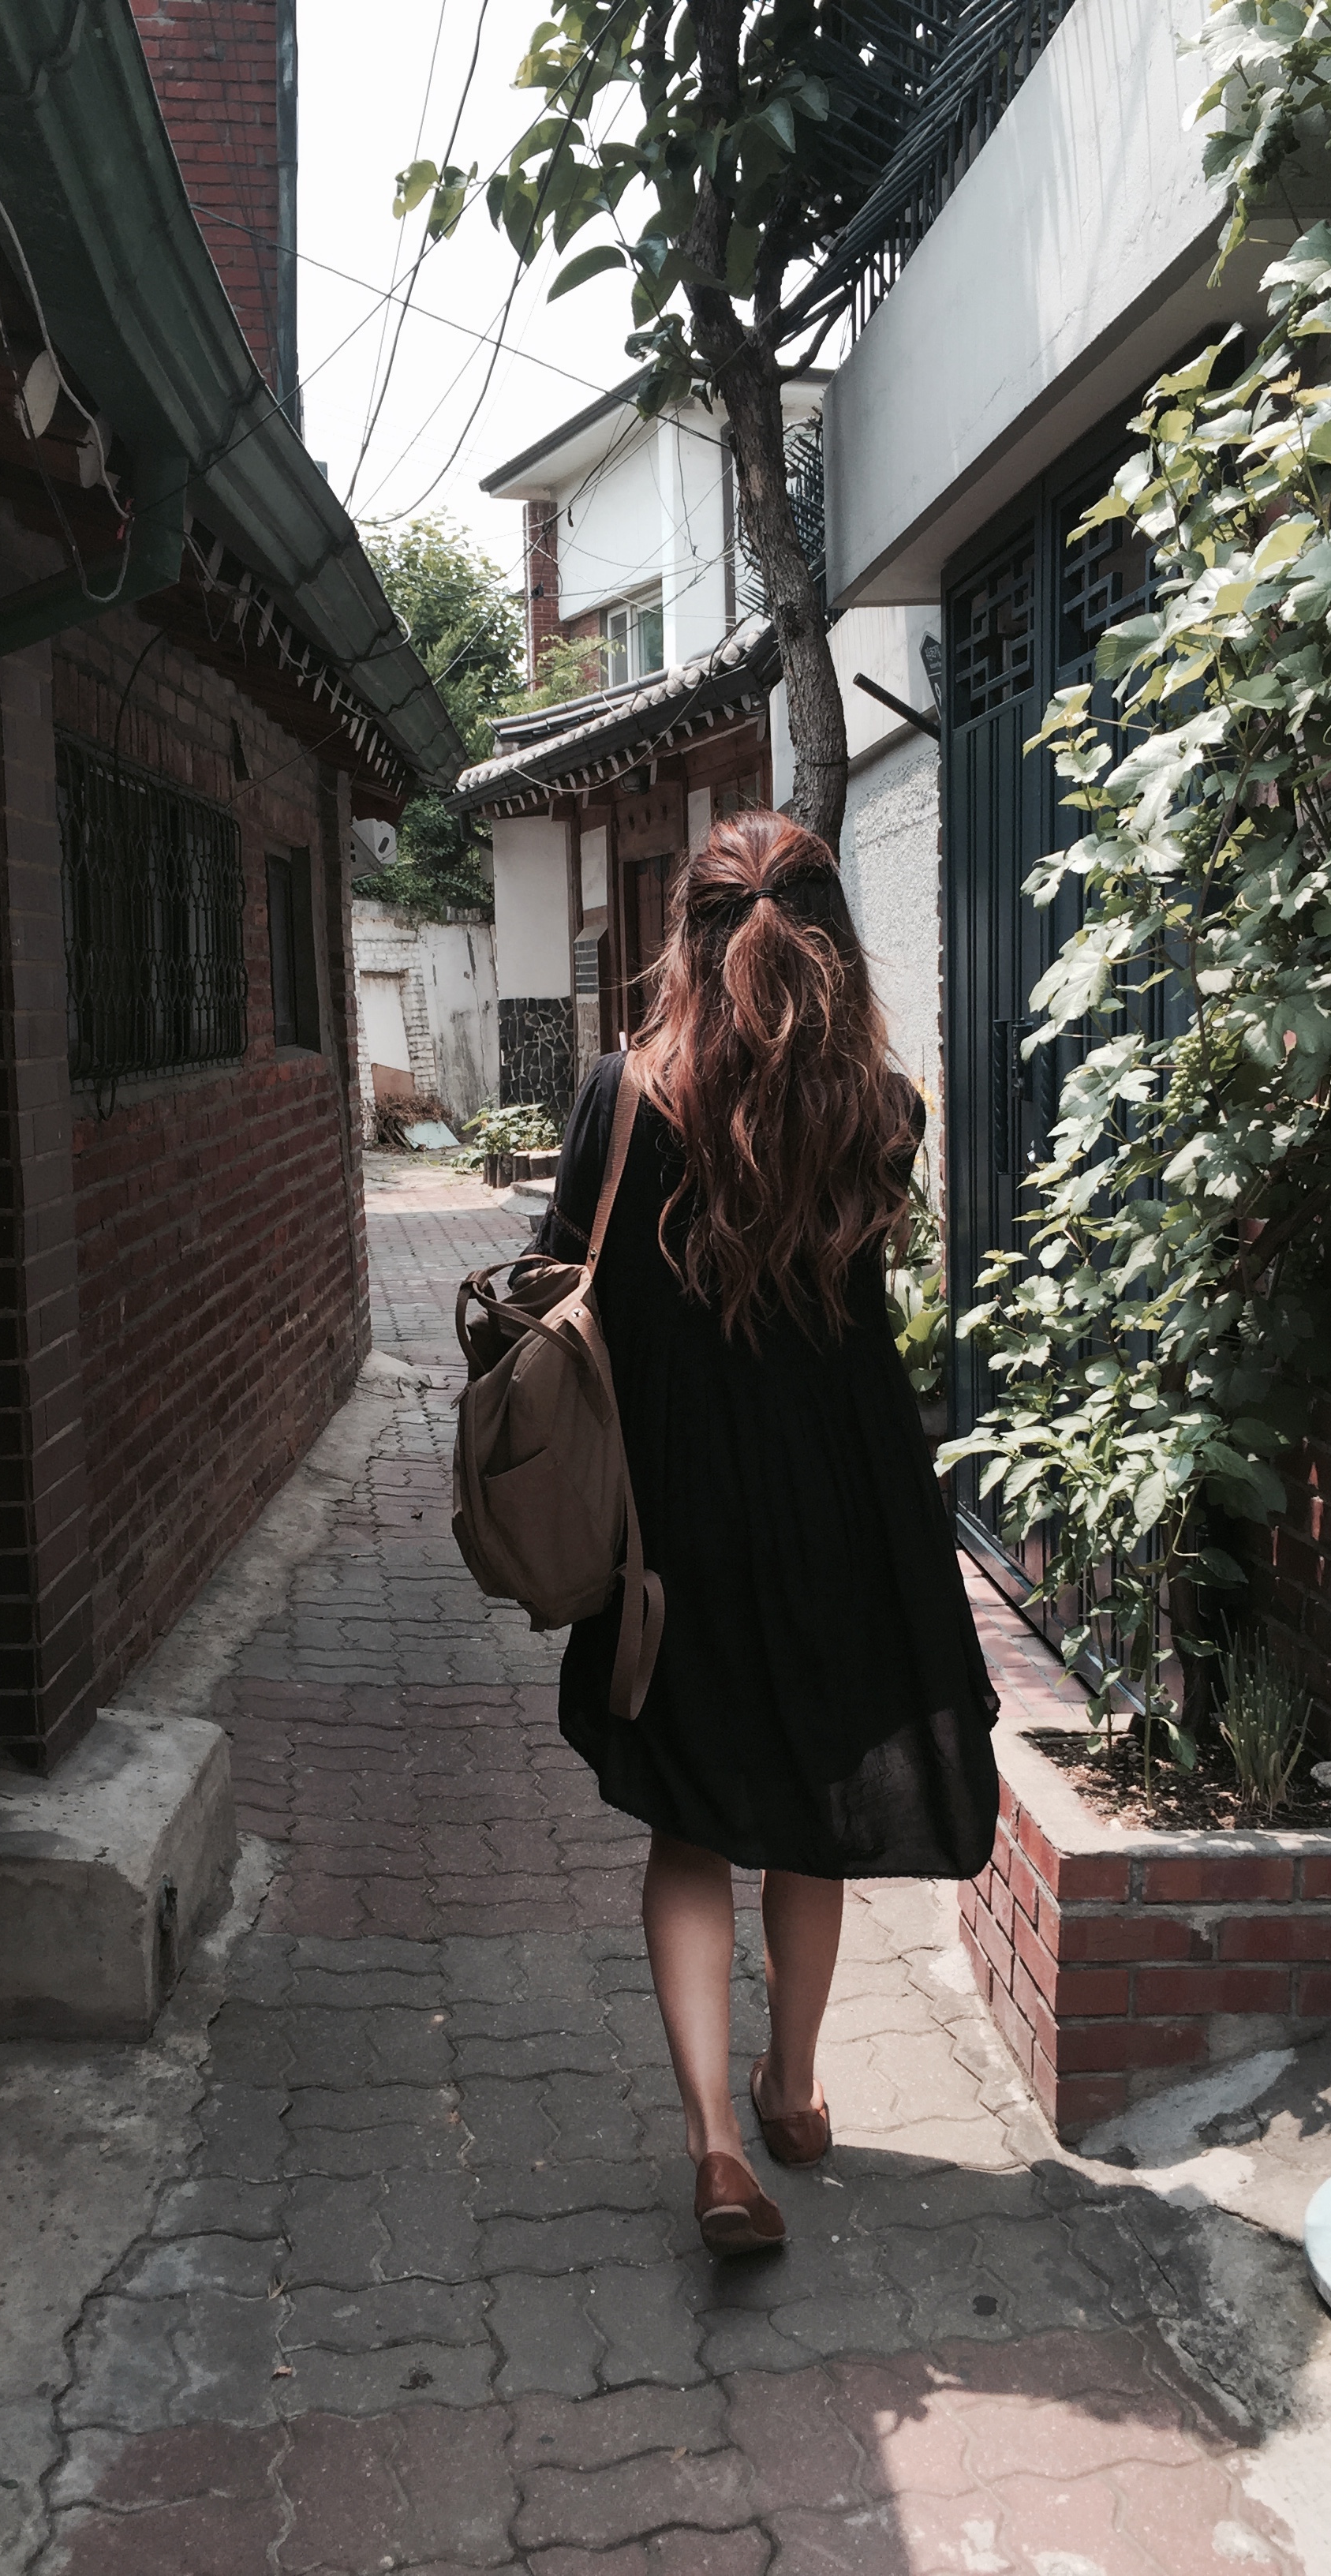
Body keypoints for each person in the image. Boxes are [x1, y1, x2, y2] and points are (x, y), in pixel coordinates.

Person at [530, 808, 1000, 2254]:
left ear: (685, 936)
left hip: (675, 1513)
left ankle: (717, 2153)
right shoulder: (884, 1109)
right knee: (812, 1809)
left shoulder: (623, 1096)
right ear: (833, 938)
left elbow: (559, 1274)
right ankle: (793, 2089)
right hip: (844, 1508)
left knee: (690, 1823)